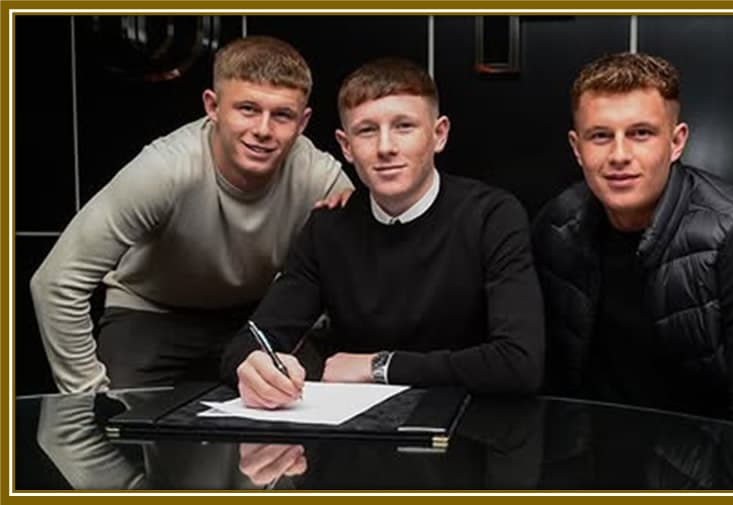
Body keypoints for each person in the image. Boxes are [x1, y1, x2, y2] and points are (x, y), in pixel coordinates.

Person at [30, 36, 354, 393]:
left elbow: (358, 277)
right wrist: (89, 397)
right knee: (120, 426)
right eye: (247, 109)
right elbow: (56, 282)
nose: (263, 130)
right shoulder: (165, 169)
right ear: (212, 107)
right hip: (153, 311)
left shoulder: (321, 177)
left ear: (303, 122)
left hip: (254, 319)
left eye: (281, 115)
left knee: (312, 403)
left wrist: (354, 215)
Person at [220, 57, 544, 408]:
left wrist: (379, 366)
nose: (385, 147)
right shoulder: (328, 227)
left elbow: (519, 363)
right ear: (346, 146)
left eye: (404, 126)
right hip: (360, 434)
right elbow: (251, 340)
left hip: (470, 425)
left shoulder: (492, 216)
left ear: (439, 135)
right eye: (367, 130)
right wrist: (252, 367)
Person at [531, 52, 733, 436]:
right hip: (601, 462)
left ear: (677, 141)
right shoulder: (557, 224)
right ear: (576, 147)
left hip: (711, 471)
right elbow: (551, 380)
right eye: (600, 136)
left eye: (641, 133)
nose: (619, 155)